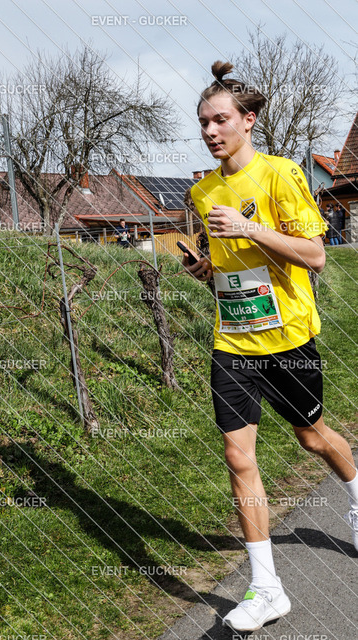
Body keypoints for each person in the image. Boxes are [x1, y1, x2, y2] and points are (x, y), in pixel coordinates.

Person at [182, 60, 358, 633]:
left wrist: (250, 227)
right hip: (233, 340)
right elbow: (231, 266)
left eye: (220, 120)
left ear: (248, 120)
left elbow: (315, 256)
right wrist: (207, 271)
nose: (210, 131)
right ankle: (267, 589)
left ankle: (356, 496)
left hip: (289, 339)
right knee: (238, 457)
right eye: (203, 122)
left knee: (312, 437)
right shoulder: (202, 190)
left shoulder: (281, 175)